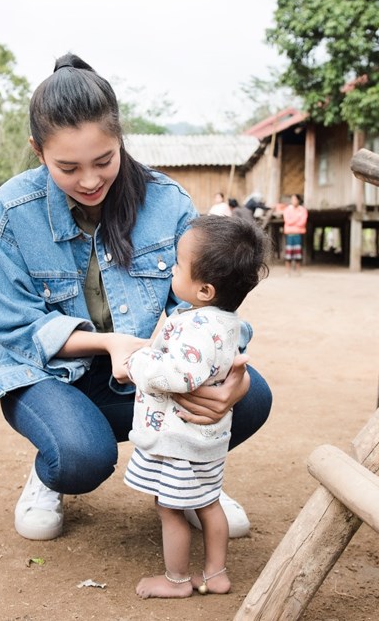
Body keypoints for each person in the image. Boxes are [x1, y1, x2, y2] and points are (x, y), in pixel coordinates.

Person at [0, 53, 272, 545]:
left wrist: (223, 374)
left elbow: (205, 304)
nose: (89, 181)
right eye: (67, 167)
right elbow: (16, 329)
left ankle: (191, 487)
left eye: (104, 161)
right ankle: (51, 470)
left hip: (146, 369)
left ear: (120, 141)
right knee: (80, 456)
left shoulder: (167, 200)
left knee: (253, 396)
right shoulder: (11, 211)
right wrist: (110, 344)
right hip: (47, 374)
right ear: (37, 150)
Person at [123, 215, 268, 599]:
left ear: (204, 289)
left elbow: (179, 376)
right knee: (209, 503)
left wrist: (137, 363)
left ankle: (175, 580)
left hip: (178, 442)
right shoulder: (226, 321)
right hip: (207, 440)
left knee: (169, 510)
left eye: (177, 264)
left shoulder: (195, 329)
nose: (171, 269)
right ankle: (215, 573)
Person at [282, 193, 308, 275]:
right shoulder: (287, 209)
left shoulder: (303, 210)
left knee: (298, 253)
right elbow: (287, 221)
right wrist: (297, 218)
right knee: (288, 253)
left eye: (295, 199)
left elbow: (302, 223)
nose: (293, 201)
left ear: (298, 200)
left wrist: (293, 220)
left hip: (298, 234)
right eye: (292, 199)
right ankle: (287, 271)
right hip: (289, 234)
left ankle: (298, 271)